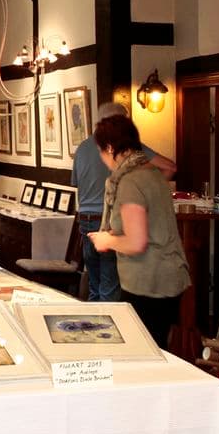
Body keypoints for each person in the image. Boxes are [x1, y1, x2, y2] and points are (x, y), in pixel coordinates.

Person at [86, 116, 191, 348]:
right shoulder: (153, 173)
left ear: (110, 148)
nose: (102, 158)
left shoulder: (130, 182)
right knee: (157, 347)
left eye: (101, 152)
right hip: (167, 277)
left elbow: (136, 242)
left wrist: (106, 239)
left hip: (148, 282)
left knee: (144, 350)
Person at [71, 102, 176, 301]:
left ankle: (95, 319)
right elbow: (170, 167)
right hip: (111, 222)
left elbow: (77, 184)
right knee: (110, 287)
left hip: (85, 220)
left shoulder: (82, 148)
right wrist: (149, 191)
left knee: (95, 286)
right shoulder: (127, 148)